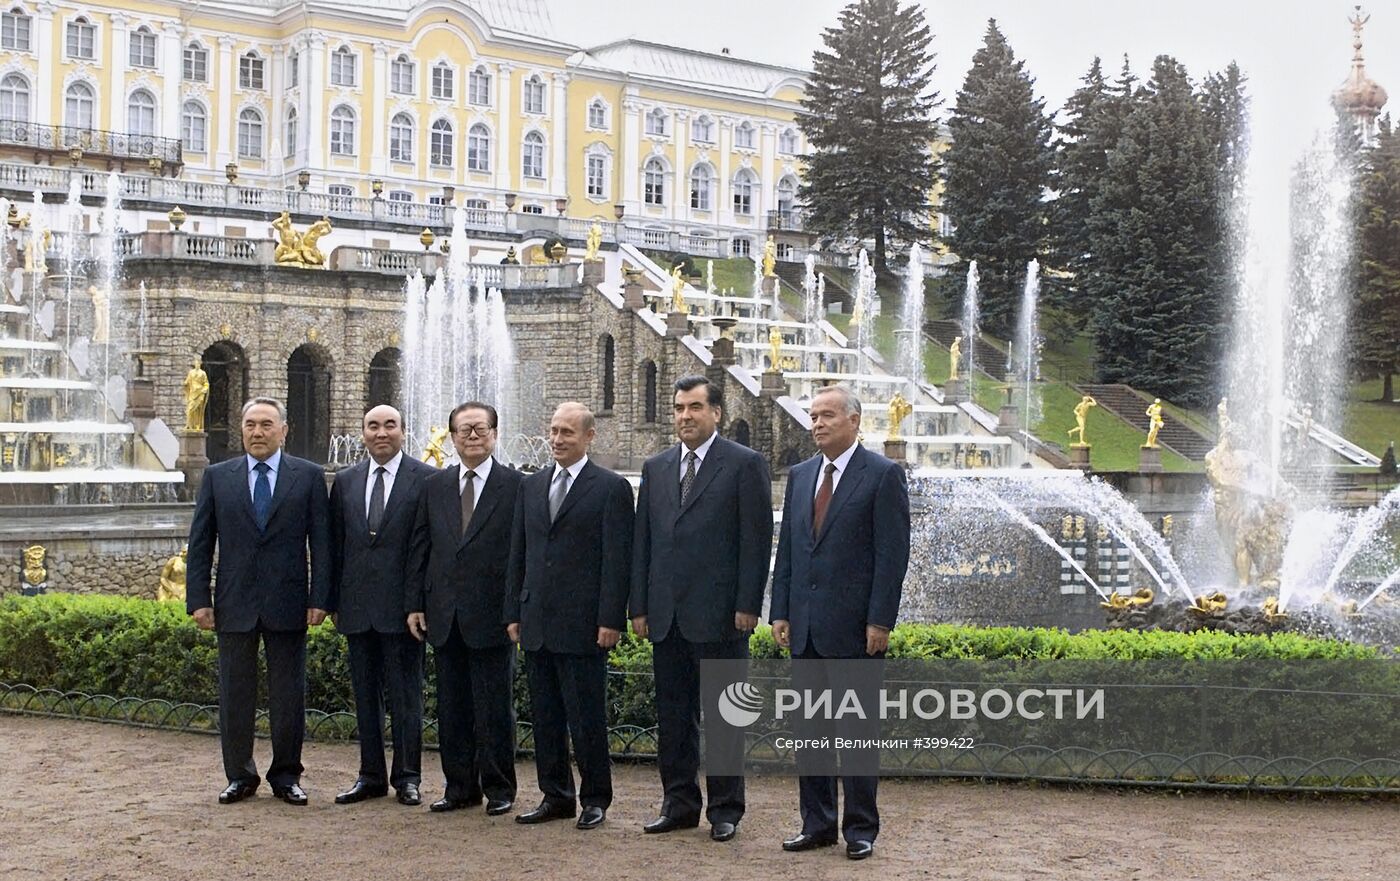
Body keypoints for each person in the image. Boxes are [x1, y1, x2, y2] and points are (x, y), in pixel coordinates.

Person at [770, 385, 910, 861]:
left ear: (855, 421)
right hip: (805, 627)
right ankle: (817, 823)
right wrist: (781, 610)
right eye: (813, 416)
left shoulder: (883, 475)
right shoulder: (802, 474)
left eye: (827, 415)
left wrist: (880, 620)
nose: (817, 424)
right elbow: (789, 547)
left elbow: (892, 557)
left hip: (855, 629)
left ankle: (861, 829)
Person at [631, 376, 772, 843]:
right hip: (667, 615)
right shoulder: (656, 467)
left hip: (721, 616)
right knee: (674, 717)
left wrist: (749, 604)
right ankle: (679, 803)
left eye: (694, 407)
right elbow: (644, 544)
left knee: (725, 717)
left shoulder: (744, 464)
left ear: (716, 412)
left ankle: (727, 809)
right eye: (677, 408)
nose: (684, 416)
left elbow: (755, 541)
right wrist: (640, 606)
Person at [186, 396, 332, 806]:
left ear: (283, 430)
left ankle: (286, 775)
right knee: (235, 695)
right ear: (241, 429)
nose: (257, 432)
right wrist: (199, 598)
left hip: (289, 602)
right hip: (233, 603)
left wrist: (320, 597)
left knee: (289, 696)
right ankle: (240, 775)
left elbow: (321, 543)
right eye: (250, 424)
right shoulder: (217, 477)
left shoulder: (307, 476)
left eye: (267, 424)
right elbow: (200, 543)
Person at [505, 402, 632, 831]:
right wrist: (514, 611)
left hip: (584, 624)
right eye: (554, 431)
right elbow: (518, 553)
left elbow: (618, 562)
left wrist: (611, 619)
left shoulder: (611, 488)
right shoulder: (532, 484)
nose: (558, 440)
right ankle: (555, 795)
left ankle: (596, 798)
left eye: (568, 433)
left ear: (589, 437)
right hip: (536, 620)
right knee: (544, 717)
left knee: (586, 718)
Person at [406, 401, 523, 816]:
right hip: (444, 614)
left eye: (480, 429)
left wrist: (516, 611)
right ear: (452, 436)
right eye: (464, 430)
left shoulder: (516, 486)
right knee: (451, 708)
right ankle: (459, 788)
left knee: (494, 708)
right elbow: (421, 548)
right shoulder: (434, 486)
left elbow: (519, 555)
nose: (472, 436)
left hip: (493, 615)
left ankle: (499, 788)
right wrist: (415, 604)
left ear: (494, 434)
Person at [328, 405, 434, 807]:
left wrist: (418, 602)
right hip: (356, 607)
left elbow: (425, 549)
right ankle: (369, 775)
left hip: (404, 612)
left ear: (403, 432)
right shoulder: (346, 480)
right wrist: (332, 599)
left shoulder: (425, 480)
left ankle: (407, 777)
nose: (381, 433)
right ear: (363, 433)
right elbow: (336, 545)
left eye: (390, 425)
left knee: (406, 698)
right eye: (373, 426)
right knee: (365, 696)